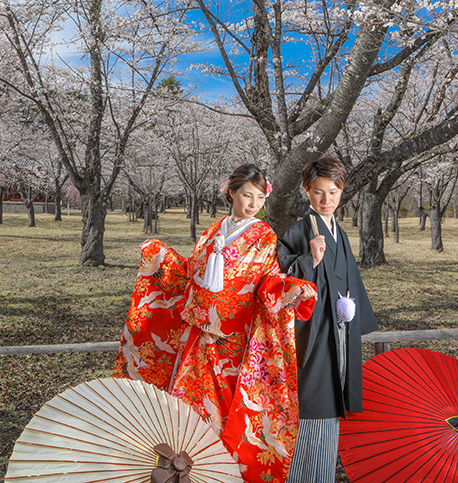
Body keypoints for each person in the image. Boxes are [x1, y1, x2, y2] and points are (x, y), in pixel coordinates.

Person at [113, 164, 317, 483]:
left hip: (231, 344)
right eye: (246, 195)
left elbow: (265, 282)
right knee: (184, 412)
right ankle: (181, 474)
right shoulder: (212, 231)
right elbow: (190, 273)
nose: (252, 204)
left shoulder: (263, 236)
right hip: (196, 341)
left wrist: (289, 288)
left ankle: (219, 475)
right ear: (231, 192)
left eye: (259, 198)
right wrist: (159, 257)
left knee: (222, 418)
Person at [277, 155, 379, 482]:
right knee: (312, 408)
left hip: (338, 331)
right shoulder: (298, 231)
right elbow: (278, 281)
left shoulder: (341, 233)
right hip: (312, 335)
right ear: (307, 190)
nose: (326, 200)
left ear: (342, 191)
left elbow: (349, 280)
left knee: (332, 408)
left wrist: (351, 316)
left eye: (333, 192)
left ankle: (321, 476)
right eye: (319, 192)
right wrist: (311, 260)